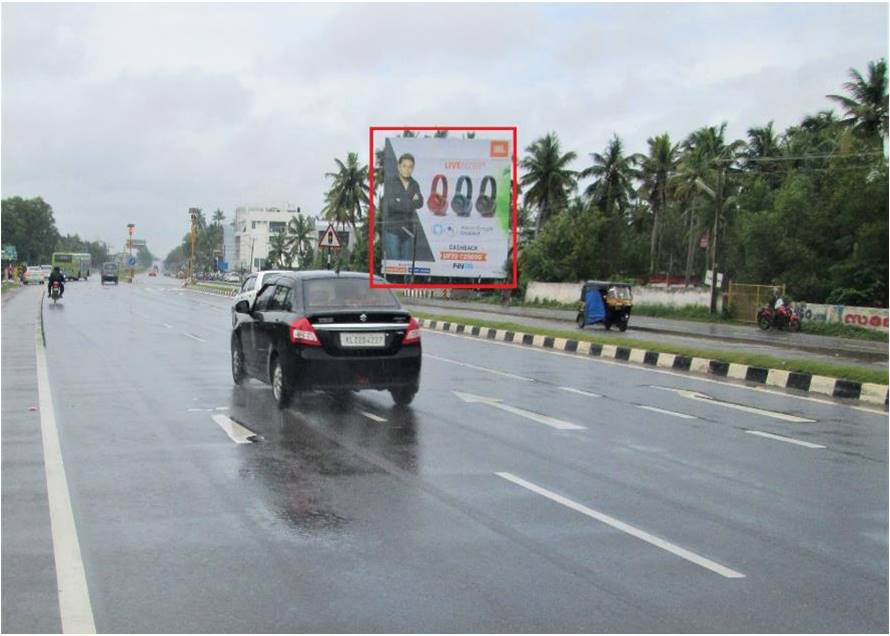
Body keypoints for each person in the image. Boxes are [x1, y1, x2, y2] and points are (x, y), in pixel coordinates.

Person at [383, 153, 424, 261]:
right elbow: (392, 204)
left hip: (408, 231)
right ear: (399, 166)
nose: (407, 169)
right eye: (404, 166)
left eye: (410, 167)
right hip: (393, 230)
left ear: (413, 168)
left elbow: (420, 203)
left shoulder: (415, 184)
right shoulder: (390, 183)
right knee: (395, 267)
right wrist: (411, 202)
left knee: (407, 268)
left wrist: (401, 201)